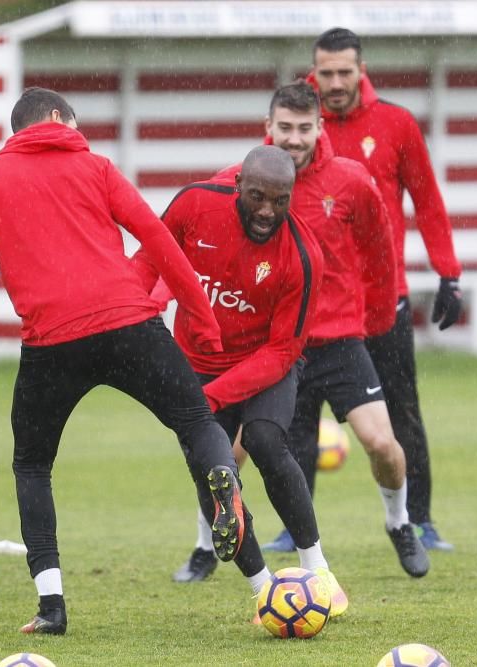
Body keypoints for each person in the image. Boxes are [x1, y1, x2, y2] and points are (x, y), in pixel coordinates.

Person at [0, 87, 249, 635]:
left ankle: (51, 605)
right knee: (195, 422)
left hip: (51, 343)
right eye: (76, 124)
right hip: (129, 325)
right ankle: (223, 479)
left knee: (32, 466)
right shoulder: (95, 166)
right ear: (54, 119)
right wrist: (204, 321)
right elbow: (156, 237)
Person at [135, 145, 349, 617]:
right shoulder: (194, 204)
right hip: (197, 361)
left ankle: (319, 571)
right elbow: (151, 254)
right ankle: (263, 592)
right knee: (211, 472)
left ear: (293, 196)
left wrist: (207, 399)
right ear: (238, 186)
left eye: (280, 200)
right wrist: (134, 308)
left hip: (265, 365)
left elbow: (282, 352)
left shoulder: (303, 256)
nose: (267, 211)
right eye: (257, 197)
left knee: (265, 441)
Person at [242, 80, 429, 577]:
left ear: (320, 127)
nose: (294, 139)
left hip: (341, 343)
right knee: (229, 450)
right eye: (285, 128)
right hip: (278, 347)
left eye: (305, 128)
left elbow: (379, 251)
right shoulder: (244, 179)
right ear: (269, 128)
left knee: (383, 445)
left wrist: (375, 319)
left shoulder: (350, 180)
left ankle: (399, 522)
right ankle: (206, 542)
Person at [305, 27, 462, 551]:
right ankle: (294, 524)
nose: (335, 82)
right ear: (315, 70)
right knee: (294, 418)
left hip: (382, 300)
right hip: (312, 307)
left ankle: (420, 519)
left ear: (361, 69)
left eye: (344, 71)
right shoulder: (296, 126)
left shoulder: (395, 123)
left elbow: (428, 200)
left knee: (401, 410)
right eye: (325, 72)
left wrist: (449, 273)